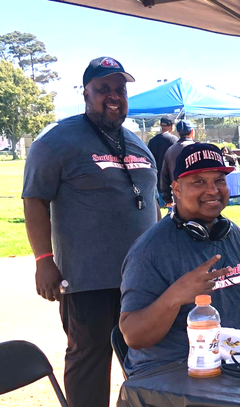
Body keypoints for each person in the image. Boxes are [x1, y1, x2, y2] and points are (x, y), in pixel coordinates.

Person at [22, 56, 159, 407]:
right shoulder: (57, 141)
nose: (113, 96)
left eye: (120, 89)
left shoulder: (138, 142)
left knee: (149, 360)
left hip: (143, 280)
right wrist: (43, 261)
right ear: (85, 92)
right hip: (88, 280)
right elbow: (34, 200)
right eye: (103, 89)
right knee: (90, 362)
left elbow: (152, 203)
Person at [119, 143, 240, 377]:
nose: (213, 190)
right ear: (177, 189)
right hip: (170, 371)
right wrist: (175, 296)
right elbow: (133, 336)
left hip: (236, 362)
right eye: (199, 182)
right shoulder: (149, 250)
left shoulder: (232, 234)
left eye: (219, 180)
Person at [160, 119, 195, 206]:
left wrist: (167, 199)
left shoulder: (170, 151)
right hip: (197, 196)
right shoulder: (197, 148)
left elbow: (164, 177)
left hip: (179, 198)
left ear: (178, 133)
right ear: (192, 131)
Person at [147, 115, 178, 207]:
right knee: (173, 211)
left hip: (156, 180)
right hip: (170, 180)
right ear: (172, 126)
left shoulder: (152, 141)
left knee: (157, 210)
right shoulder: (174, 140)